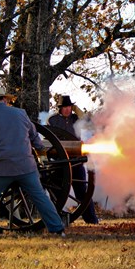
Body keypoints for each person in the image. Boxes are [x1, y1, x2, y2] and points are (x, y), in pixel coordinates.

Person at [0, 87, 65, 238]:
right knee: (40, 196)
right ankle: (58, 229)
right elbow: (35, 137)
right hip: (25, 167)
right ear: (5, 99)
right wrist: (42, 155)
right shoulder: (20, 113)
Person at [48, 95, 99, 224]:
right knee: (55, 190)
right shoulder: (53, 120)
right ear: (60, 108)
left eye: (69, 107)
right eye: (65, 107)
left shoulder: (76, 119)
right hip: (59, 160)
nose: (67, 109)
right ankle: (58, 217)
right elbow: (49, 135)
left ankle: (91, 220)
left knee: (82, 191)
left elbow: (90, 124)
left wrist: (78, 110)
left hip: (75, 159)